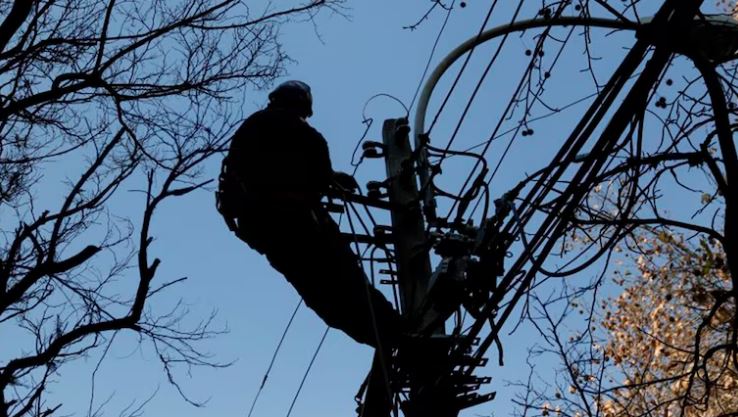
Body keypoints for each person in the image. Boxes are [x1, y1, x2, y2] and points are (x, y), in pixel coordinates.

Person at [217, 80, 402, 351]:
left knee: (323, 296)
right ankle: (396, 333)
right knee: (347, 282)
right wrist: (331, 179)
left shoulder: (252, 127)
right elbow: (317, 175)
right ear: (302, 105)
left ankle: (385, 338)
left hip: (264, 231)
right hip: (298, 223)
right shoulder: (304, 134)